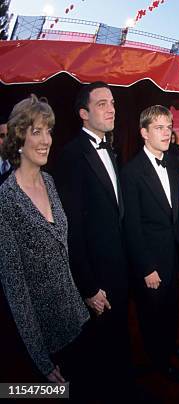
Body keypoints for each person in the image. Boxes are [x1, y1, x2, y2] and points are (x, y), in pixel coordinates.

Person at [0, 95, 89, 383]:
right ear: (18, 137)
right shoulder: (6, 200)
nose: (45, 139)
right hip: (44, 340)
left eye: (48, 130)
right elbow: (15, 287)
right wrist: (39, 358)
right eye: (35, 131)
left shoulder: (50, 182)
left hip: (77, 318)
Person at [54, 81, 133, 395]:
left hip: (117, 265)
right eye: (102, 103)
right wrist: (87, 286)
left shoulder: (109, 149)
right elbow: (71, 228)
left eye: (112, 102)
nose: (111, 108)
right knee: (92, 351)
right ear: (83, 113)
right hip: (95, 273)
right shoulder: (72, 155)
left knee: (115, 340)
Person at [121, 105, 179, 383]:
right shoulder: (131, 172)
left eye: (169, 126)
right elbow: (131, 227)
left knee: (171, 305)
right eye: (159, 127)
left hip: (172, 252)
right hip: (150, 258)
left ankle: (171, 346)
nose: (167, 132)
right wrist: (146, 267)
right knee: (152, 313)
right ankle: (159, 362)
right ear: (144, 133)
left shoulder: (173, 161)